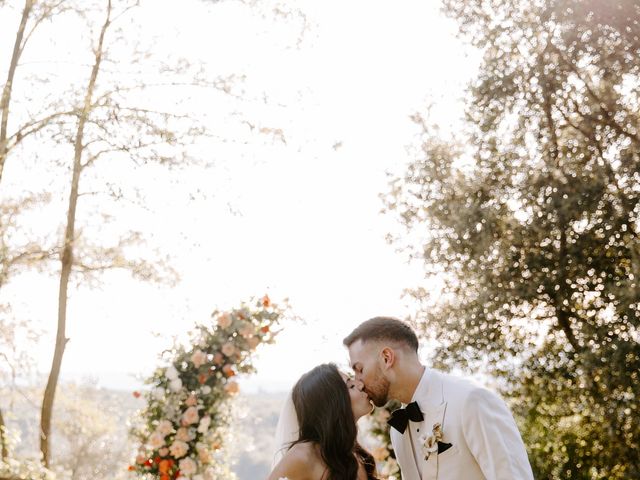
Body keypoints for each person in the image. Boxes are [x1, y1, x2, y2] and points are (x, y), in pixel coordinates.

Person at [343, 317, 534, 480]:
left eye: (360, 369)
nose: (358, 382)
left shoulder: (471, 400)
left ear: (386, 358)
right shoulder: (398, 432)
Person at [268, 363, 379, 480]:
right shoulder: (303, 455)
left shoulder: (354, 454)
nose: (361, 385)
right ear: (332, 405)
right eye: (351, 386)